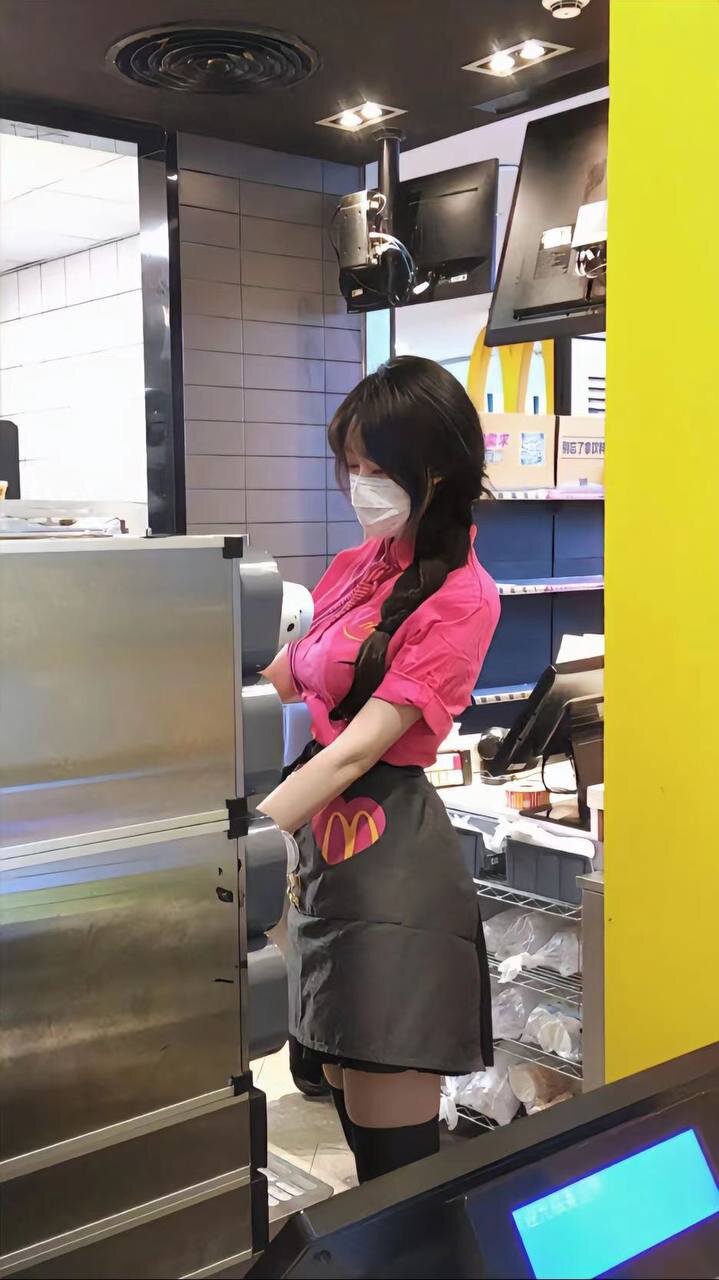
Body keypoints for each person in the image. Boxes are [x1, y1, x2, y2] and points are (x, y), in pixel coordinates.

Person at [260, 355, 500, 1183]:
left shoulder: (464, 596)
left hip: (392, 865)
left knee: (392, 1155)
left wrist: (252, 833)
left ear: (435, 468)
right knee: (336, 1071)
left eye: (375, 466)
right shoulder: (358, 565)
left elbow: (361, 746)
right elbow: (285, 676)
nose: (359, 485)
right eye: (351, 465)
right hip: (327, 857)